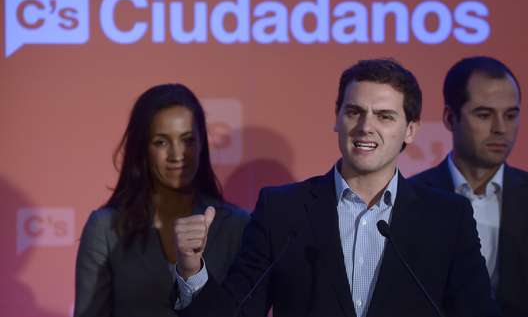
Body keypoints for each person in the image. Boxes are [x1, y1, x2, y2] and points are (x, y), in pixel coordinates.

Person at [174, 59, 499, 317]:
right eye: (355, 112)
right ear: (337, 119)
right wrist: (192, 270)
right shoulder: (282, 210)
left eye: (384, 116)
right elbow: (239, 312)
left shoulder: (446, 217)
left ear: (411, 130)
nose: (365, 127)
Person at [74, 84, 249, 317]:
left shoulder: (237, 226)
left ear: (202, 144)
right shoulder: (105, 228)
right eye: (161, 142)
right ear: (142, 149)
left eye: (188, 140)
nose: (178, 155)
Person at [409, 56, 528, 317]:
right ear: (449, 118)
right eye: (484, 114)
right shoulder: (410, 199)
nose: (501, 128)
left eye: (511, 115)